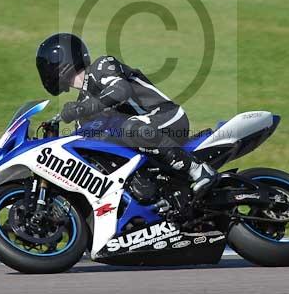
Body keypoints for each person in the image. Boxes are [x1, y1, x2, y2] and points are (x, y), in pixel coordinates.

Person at [36, 33, 217, 196]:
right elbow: (85, 142)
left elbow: (121, 90)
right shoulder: (83, 101)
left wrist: (83, 108)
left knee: (129, 128)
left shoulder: (101, 66)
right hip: (144, 136)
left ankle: (197, 168)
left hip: (167, 117)